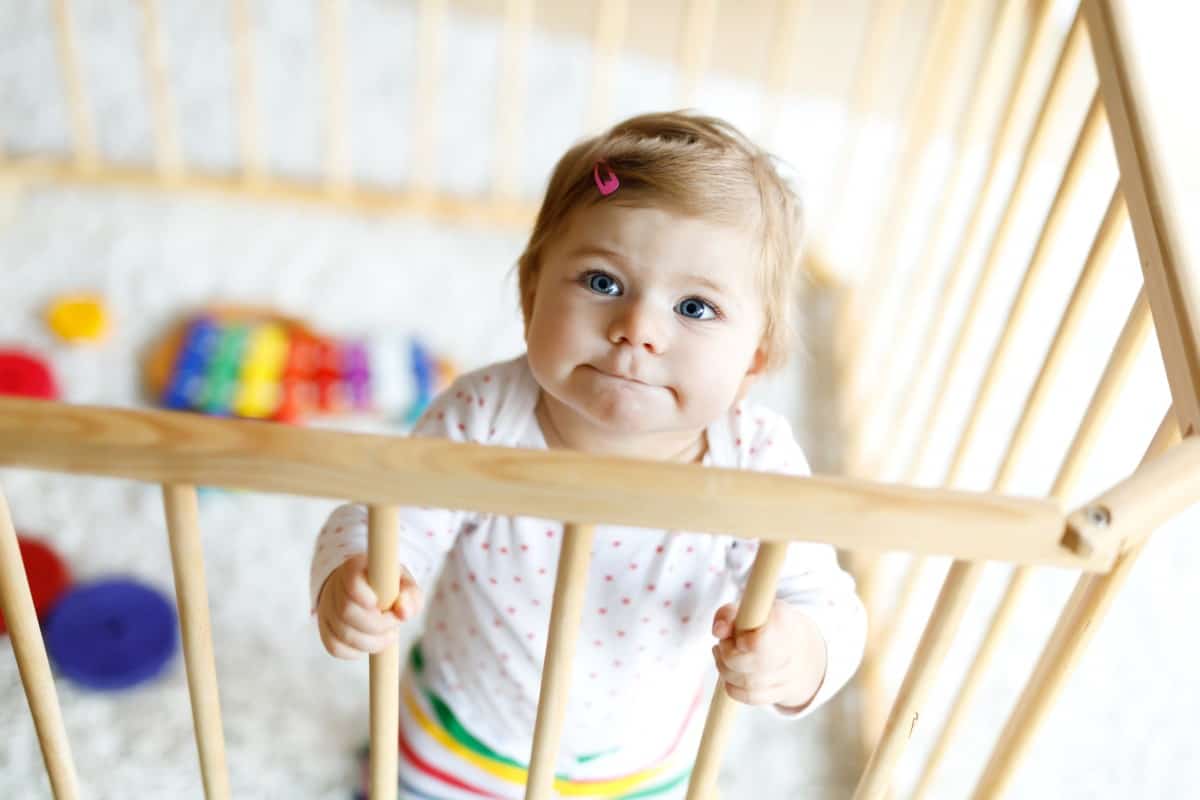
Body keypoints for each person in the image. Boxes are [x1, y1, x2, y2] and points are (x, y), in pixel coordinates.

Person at [311, 110, 868, 799]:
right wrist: (356, 577)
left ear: (754, 359)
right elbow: (386, 515)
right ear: (530, 294)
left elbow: (826, 603)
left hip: (645, 765)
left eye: (695, 308)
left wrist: (800, 651)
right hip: (460, 735)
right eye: (603, 282)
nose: (637, 330)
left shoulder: (752, 460)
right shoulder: (485, 415)